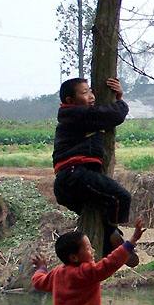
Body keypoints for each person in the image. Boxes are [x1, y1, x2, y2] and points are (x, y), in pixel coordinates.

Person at [52, 76, 138, 266]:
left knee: (102, 214)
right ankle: (115, 234)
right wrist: (120, 101)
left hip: (68, 183)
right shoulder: (78, 115)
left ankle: (111, 242)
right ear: (70, 101)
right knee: (121, 197)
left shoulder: (73, 116)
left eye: (91, 91)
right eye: (84, 93)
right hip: (76, 176)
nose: (91, 96)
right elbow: (114, 115)